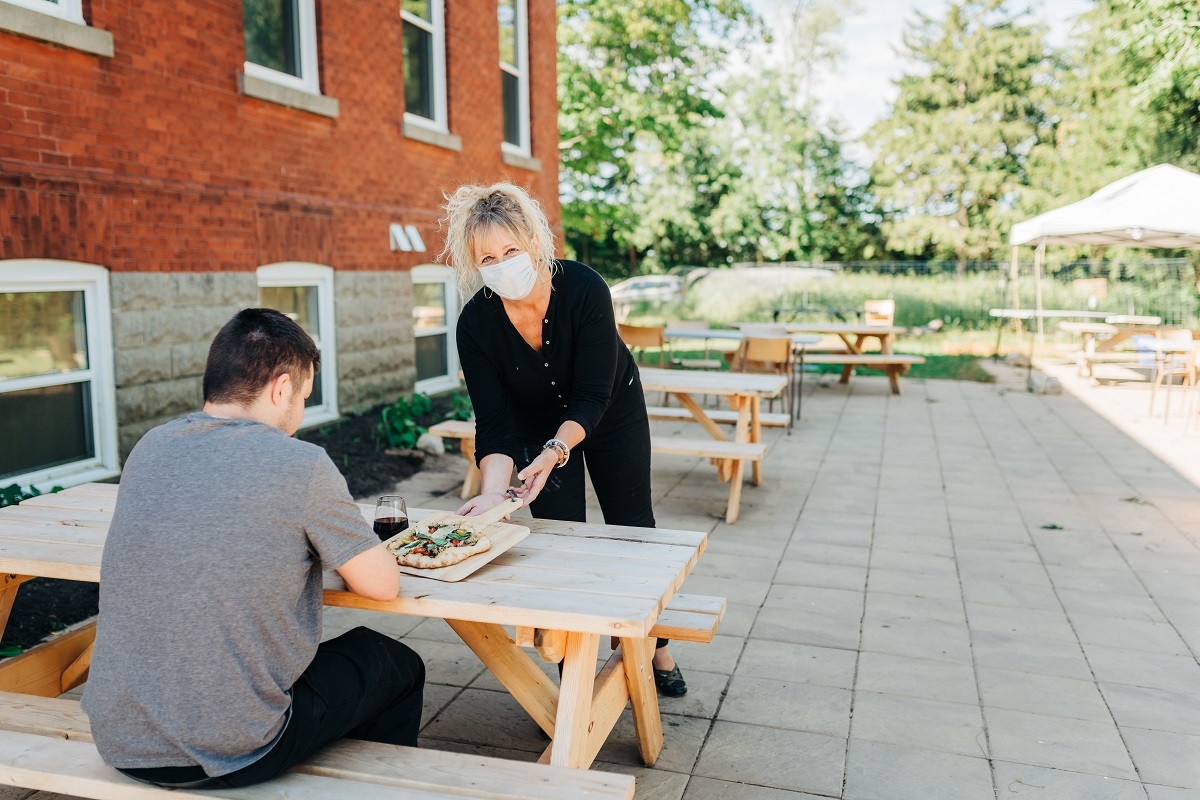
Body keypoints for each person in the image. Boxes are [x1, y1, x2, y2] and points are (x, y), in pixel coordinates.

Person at [82, 308, 424, 789]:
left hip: (120, 738)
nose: (300, 413)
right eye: (304, 397)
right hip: (235, 749)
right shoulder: (301, 464)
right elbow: (383, 585)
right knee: (393, 663)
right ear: (281, 388)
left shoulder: (150, 446)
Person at [440, 182, 687, 697]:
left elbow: (593, 396)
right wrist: (491, 493)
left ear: (534, 240)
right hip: (535, 427)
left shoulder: (584, 288)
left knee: (633, 529)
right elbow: (495, 421)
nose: (502, 263)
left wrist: (556, 451)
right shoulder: (475, 325)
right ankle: (573, 681)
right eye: (487, 257)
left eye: (510, 250)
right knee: (557, 545)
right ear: (472, 264)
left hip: (611, 411)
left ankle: (654, 648)